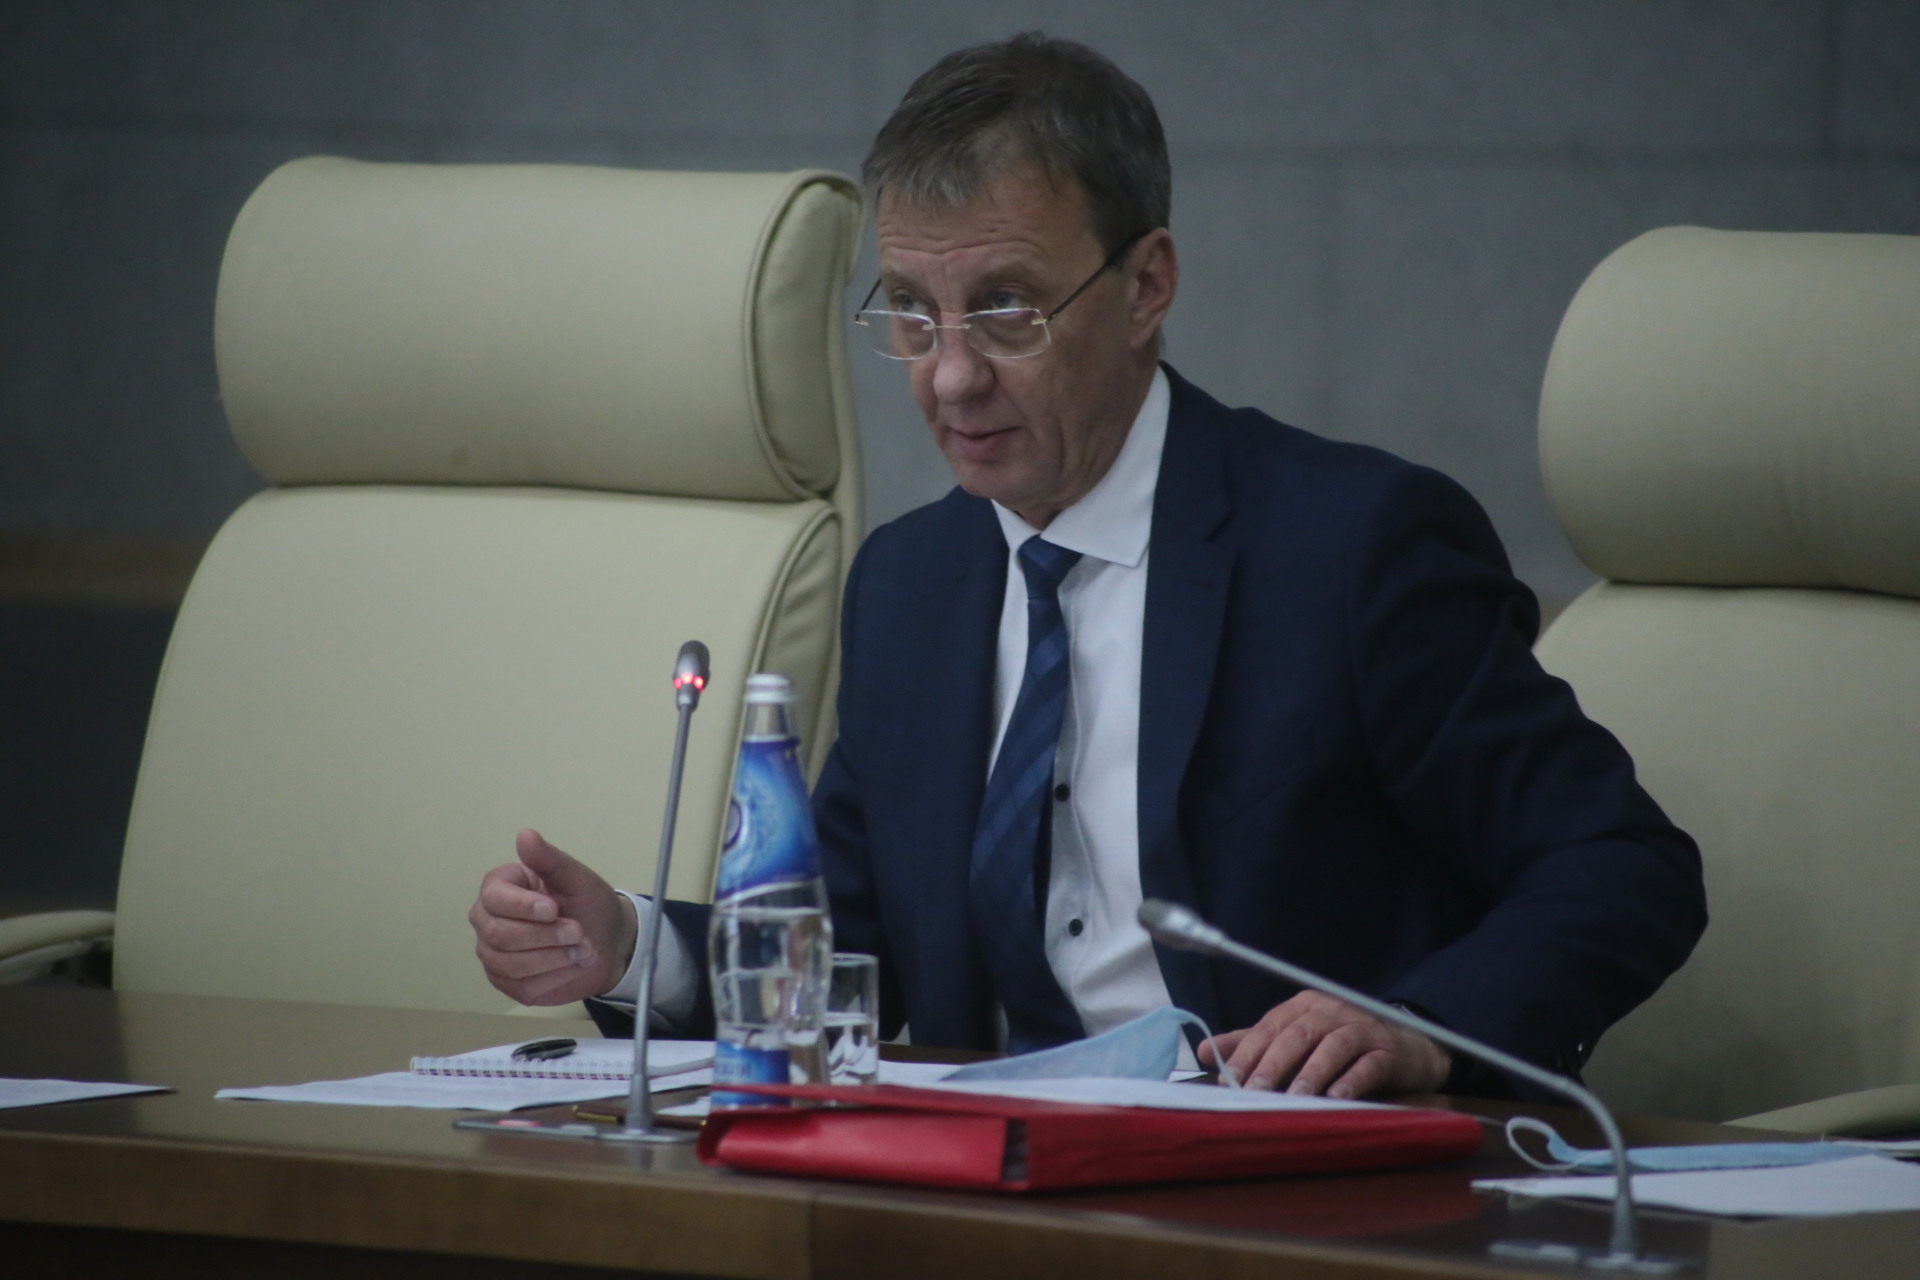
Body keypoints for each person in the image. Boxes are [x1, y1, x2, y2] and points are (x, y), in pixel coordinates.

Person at [469, 34, 1705, 1100]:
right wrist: (630, 946)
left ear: (1145, 285)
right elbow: (852, 951)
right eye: (912, 313)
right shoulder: (913, 583)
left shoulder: (1350, 546)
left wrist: (1418, 1028)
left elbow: (1620, 866)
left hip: (1283, 1189)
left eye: (1007, 309)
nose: (951, 375)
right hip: (984, 1188)